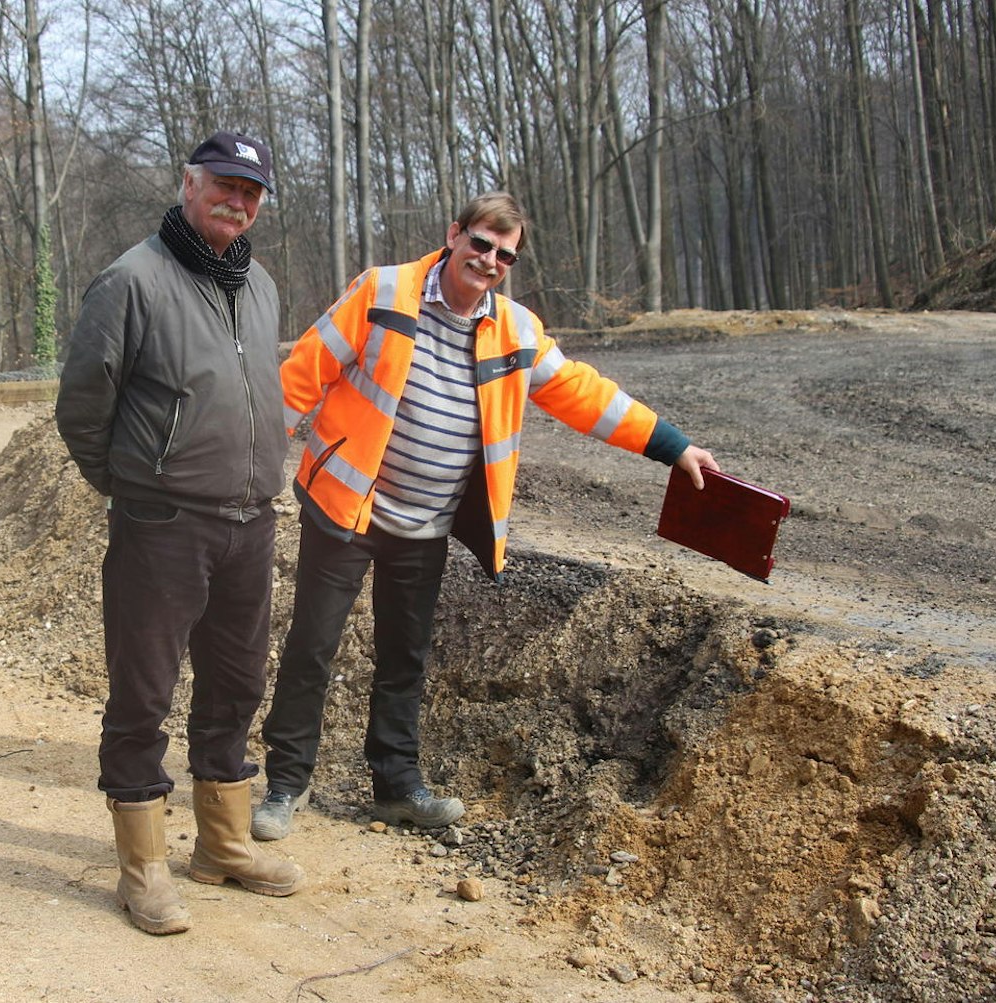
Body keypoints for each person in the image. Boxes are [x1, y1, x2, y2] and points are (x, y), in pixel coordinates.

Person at [254, 191, 718, 840]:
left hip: (426, 522)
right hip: (346, 506)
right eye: (481, 243)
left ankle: (396, 787)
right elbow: (301, 376)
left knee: (405, 657)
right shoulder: (381, 291)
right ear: (454, 234)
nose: (491, 259)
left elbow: (585, 394)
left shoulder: (518, 331)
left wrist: (669, 445)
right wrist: (253, 463)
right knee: (312, 644)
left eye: (506, 253)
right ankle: (285, 782)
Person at [54, 131, 304, 935]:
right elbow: (83, 407)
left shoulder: (259, 283)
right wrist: (135, 488)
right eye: (225, 185)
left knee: (235, 686)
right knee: (143, 693)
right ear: (189, 184)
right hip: (162, 524)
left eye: (253, 191)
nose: (239, 201)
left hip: (250, 521)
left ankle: (223, 844)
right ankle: (144, 869)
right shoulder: (131, 281)